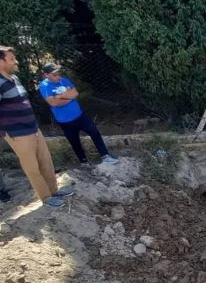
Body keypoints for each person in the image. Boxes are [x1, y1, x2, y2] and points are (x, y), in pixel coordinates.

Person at [0, 46, 73, 208]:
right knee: (32, 167)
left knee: (45, 161)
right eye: (11, 59)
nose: (16, 61)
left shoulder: (14, 79)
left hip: (33, 128)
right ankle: (46, 197)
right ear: (1, 61)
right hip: (17, 133)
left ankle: (54, 190)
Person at [38, 62, 119, 166]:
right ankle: (83, 162)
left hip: (80, 116)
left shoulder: (64, 80)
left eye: (58, 73)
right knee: (74, 142)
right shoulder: (44, 86)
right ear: (46, 75)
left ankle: (105, 156)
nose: (58, 76)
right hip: (65, 121)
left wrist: (59, 97)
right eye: (54, 74)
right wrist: (67, 96)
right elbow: (53, 103)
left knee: (95, 133)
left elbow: (75, 93)